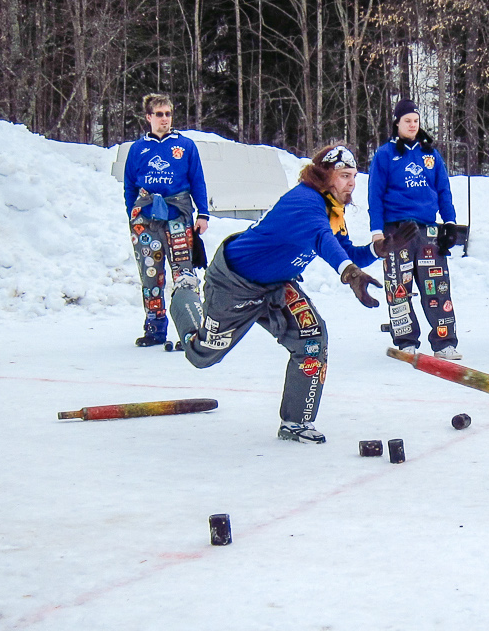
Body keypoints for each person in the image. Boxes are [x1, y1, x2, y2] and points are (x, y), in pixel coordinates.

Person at [175, 145, 383, 444]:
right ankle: (184, 293)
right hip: (234, 284)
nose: (351, 183)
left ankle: (295, 422)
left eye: (354, 176)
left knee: (312, 337)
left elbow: (344, 250)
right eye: (344, 175)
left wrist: (377, 249)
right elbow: (321, 238)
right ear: (324, 175)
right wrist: (350, 273)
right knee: (202, 354)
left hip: (278, 284)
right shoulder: (305, 201)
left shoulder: (332, 208)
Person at [367, 98, 463, 360]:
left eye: (416, 121)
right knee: (399, 285)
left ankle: (444, 342)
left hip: (427, 228)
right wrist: (377, 232)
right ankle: (406, 340)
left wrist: (450, 222)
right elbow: (375, 195)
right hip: (396, 229)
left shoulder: (430, 154)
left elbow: (443, 190)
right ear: (397, 123)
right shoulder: (385, 154)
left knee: (437, 286)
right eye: (407, 120)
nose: (412, 125)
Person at [122, 94, 209, 348]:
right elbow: (129, 185)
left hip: (178, 214)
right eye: (159, 114)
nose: (164, 119)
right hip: (146, 219)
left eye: (168, 114)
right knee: (151, 272)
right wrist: (133, 213)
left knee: (184, 273)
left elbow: (198, 180)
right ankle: (155, 328)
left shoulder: (185, 146)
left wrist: (203, 213)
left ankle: (191, 329)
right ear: (148, 117)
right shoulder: (137, 149)